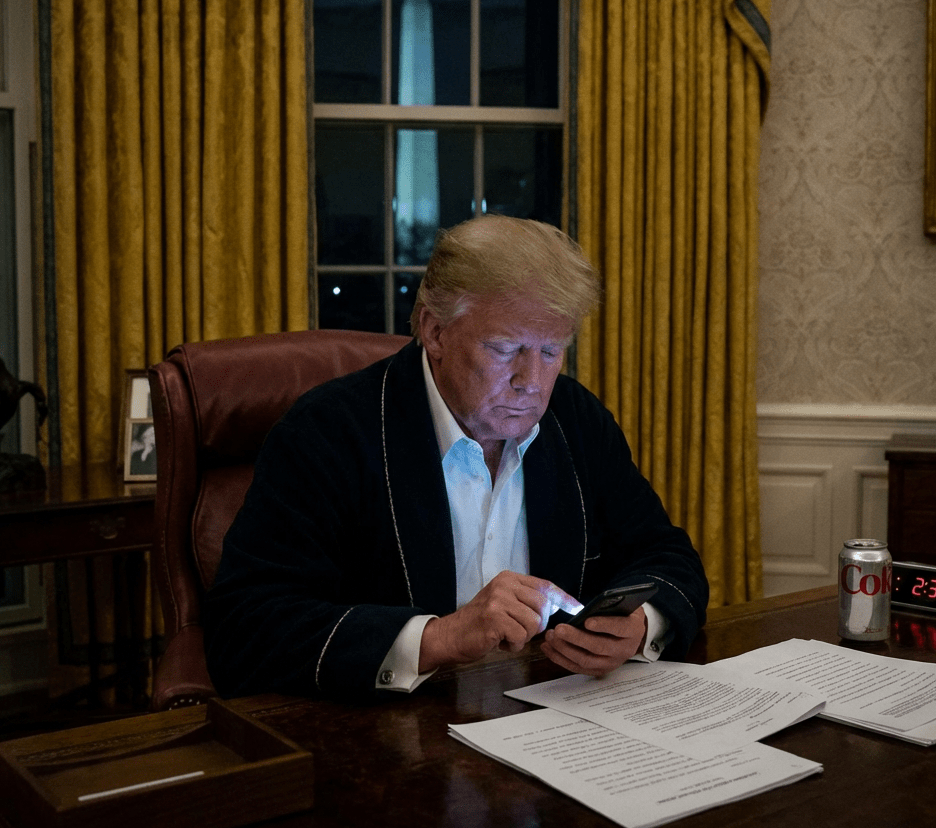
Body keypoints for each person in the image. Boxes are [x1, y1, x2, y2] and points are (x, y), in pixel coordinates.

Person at [204, 216, 708, 699]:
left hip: (556, 725)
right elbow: (246, 627)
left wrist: (640, 625)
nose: (531, 381)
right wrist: (437, 639)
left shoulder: (574, 420)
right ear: (435, 331)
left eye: (551, 352)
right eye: (505, 348)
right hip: (391, 743)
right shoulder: (328, 431)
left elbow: (667, 556)